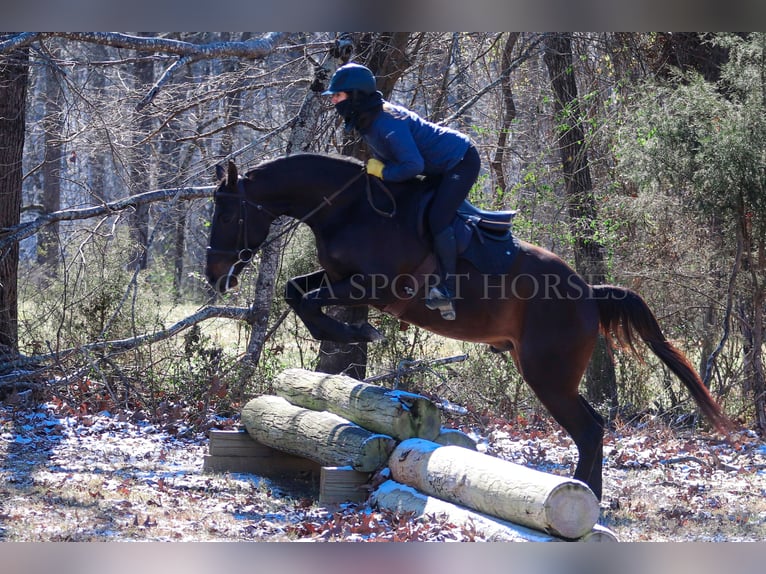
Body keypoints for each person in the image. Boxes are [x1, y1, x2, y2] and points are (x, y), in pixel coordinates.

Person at [322, 63, 481, 321]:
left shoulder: (385, 123)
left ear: (356, 95)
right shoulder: (368, 119)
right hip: (436, 166)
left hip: (460, 161)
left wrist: (382, 172)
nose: (334, 102)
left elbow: (413, 165)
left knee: (438, 218)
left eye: (338, 96)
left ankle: (448, 290)